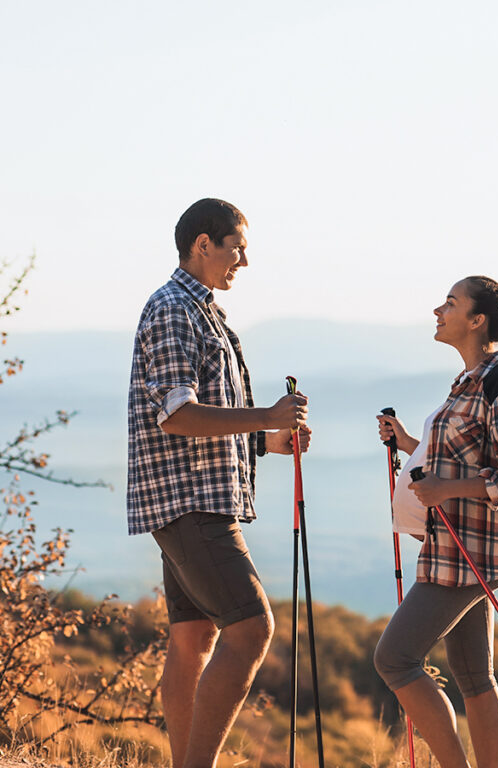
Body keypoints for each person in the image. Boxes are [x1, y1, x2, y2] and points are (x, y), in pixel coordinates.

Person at [127, 198, 311, 768]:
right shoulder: (174, 311)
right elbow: (178, 415)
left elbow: (204, 416)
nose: (244, 262)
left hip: (189, 499)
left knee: (192, 641)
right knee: (253, 629)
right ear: (202, 244)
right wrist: (265, 416)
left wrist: (270, 440)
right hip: (191, 504)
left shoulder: (200, 311)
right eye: (238, 249)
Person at [375, 275, 498, 768]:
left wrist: (446, 490)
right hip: (458, 547)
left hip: (471, 553)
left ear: (477, 321)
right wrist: (408, 443)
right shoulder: (470, 382)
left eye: (449, 304)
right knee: (473, 677)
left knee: (395, 659)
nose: (437, 311)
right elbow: (462, 455)